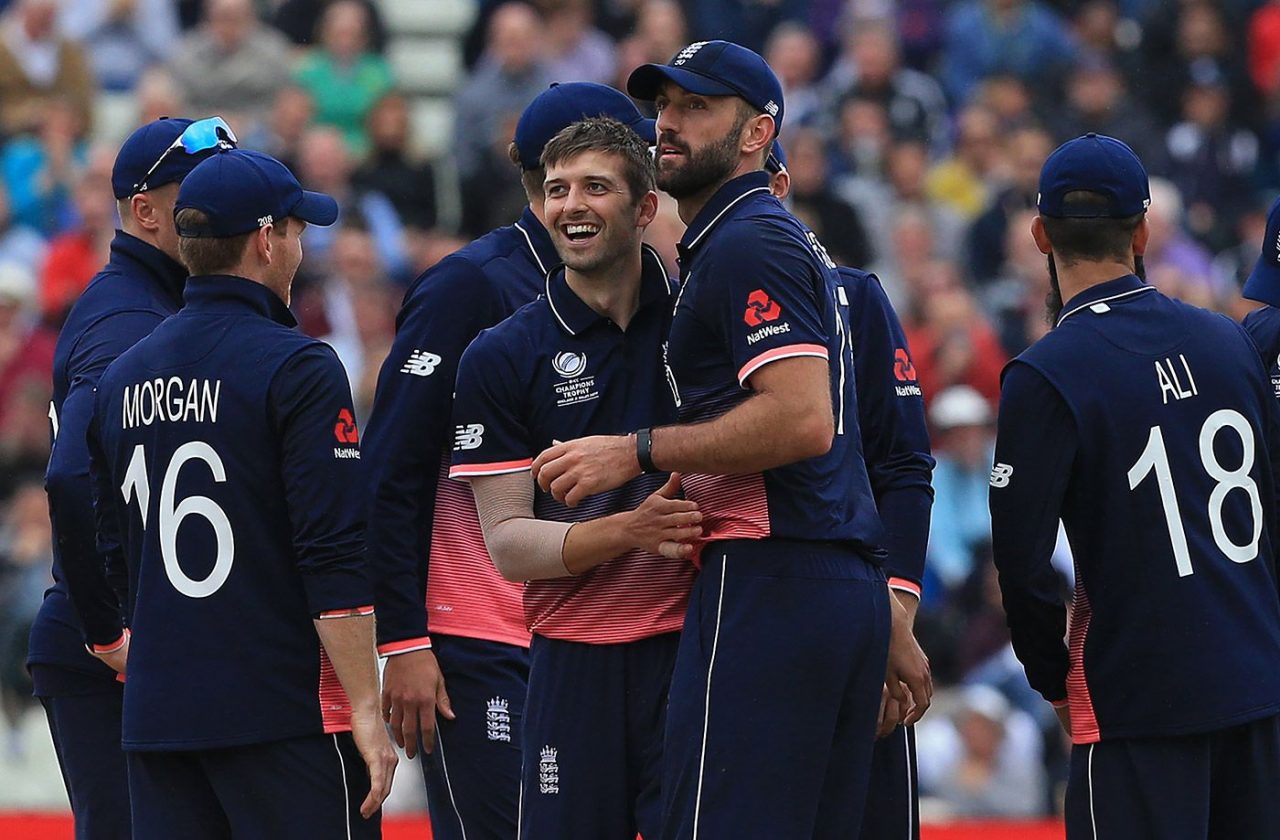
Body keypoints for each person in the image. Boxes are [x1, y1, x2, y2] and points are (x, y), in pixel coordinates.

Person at [533, 40, 932, 837]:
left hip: (775, 576)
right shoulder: (735, 243)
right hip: (819, 577)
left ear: (758, 133)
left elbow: (801, 418)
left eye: (697, 108)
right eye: (665, 108)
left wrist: (634, 450)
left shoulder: (749, 240)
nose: (669, 126)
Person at [76, 149, 398, 838]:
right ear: (264, 240)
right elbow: (333, 556)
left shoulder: (122, 376)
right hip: (284, 712)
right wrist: (367, 708)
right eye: (295, 229)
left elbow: (111, 547)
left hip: (161, 715)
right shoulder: (301, 365)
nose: (299, 245)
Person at [363, 82, 656, 840]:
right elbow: (391, 466)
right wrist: (404, 641)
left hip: (578, 632)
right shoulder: (471, 286)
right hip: (475, 635)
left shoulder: (636, 288)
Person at [989, 133, 1280, 839]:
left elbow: (1022, 567)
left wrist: (1052, 682)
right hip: (1258, 686)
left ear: (1039, 235)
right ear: (1144, 231)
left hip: (1136, 701)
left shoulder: (1045, 372)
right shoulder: (1229, 340)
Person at [450, 116, 698, 839]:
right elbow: (506, 546)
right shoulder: (501, 353)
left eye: (595, 187)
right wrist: (629, 529)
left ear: (644, 207)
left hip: (694, 649)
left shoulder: (698, 321)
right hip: (570, 663)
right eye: (557, 190)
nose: (570, 206)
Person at [32, 117, 233, 840]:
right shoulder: (129, 316)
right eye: (199, 193)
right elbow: (68, 477)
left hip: (152, 632)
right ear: (146, 211)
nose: (224, 206)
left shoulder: (176, 300)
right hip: (114, 645)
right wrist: (106, 629)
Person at [769, 142, 935, 840]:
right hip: (724, 610)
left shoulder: (854, 294)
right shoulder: (673, 300)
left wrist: (896, 609)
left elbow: (903, 464)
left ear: (780, 186)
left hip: (850, 605)